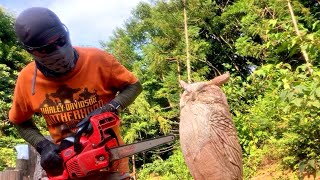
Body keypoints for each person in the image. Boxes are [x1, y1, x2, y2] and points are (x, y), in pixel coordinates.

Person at [9, 7, 142, 180]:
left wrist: (109, 108)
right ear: (30, 51)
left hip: (112, 164)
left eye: (61, 40)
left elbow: (134, 86)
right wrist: (42, 145)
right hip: (69, 165)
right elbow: (20, 121)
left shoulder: (98, 60)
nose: (58, 50)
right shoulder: (27, 79)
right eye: (46, 49)